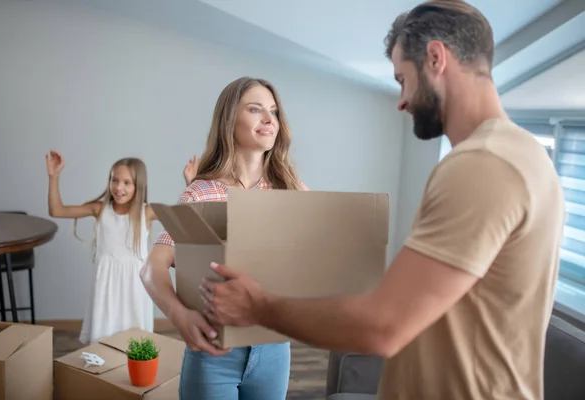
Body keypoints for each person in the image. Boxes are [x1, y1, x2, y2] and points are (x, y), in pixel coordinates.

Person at [200, 1, 565, 399]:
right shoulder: (526, 155)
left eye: (402, 79)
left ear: (436, 58)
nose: (401, 100)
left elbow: (383, 326)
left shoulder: (482, 164)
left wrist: (258, 307)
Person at [139, 76, 308, 400]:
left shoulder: (293, 190)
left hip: (275, 349)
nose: (269, 119)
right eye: (256, 109)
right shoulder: (201, 193)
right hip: (215, 351)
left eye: (273, 111)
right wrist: (179, 314)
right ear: (230, 120)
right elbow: (152, 267)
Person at [46, 151, 198, 344]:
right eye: (114, 180)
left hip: (135, 288)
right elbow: (57, 210)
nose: (118, 188)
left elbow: (186, 218)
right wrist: (54, 176)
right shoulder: (99, 209)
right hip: (105, 287)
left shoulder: (147, 212)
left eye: (126, 182)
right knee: (103, 339)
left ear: (138, 186)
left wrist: (191, 184)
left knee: (135, 341)